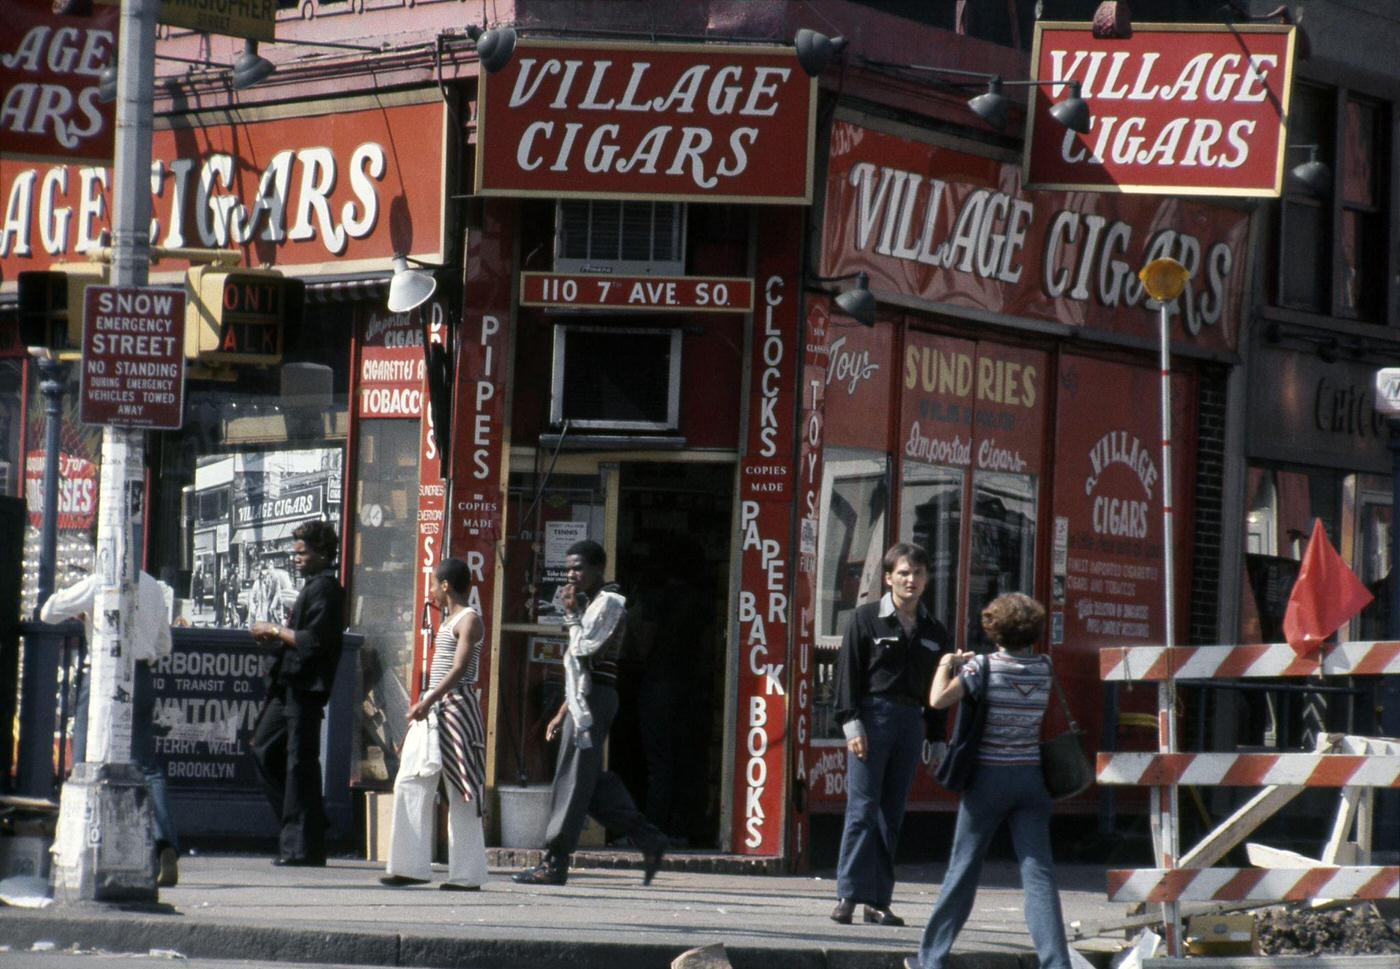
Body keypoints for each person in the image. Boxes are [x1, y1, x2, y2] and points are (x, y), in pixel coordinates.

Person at [907, 593, 1072, 969]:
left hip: (988, 780)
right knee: (1039, 874)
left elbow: (937, 700)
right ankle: (1057, 963)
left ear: (994, 628)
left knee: (963, 868)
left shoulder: (982, 668)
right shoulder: (1045, 667)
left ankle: (931, 959)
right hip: (1032, 779)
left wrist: (947, 663)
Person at [512, 539, 667, 886]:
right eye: (568, 568)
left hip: (596, 697)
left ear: (599, 568)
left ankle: (555, 860)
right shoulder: (594, 602)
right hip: (585, 697)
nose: (571, 574)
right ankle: (646, 836)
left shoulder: (610, 602)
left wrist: (570, 614)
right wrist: (563, 711)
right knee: (587, 779)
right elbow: (577, 671)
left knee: (571, 777)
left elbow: (584, 651)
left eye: (579, 567)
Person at [831, 542, 949, 927]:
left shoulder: (935, 631)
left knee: (891, 814)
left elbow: (937, 690)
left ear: (927, 579)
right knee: (862, 810)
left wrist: (937, 737)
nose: (911, 580)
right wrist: (852, 724)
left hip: (910, 721)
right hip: (872, 716)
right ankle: (848, 895)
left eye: (917, 573)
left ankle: (879, 901)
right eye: (903, 573)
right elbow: (847, 675)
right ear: (888, 579)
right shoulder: (866, 619)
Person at [41, 569, 181, 888]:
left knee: (85, 758)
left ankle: (79, 842)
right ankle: (164, 845)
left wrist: (84, 608)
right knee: (146, 765)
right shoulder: (153, 587)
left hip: (104, 672)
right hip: (142, 674)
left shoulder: (100, 579)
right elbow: (163, 645)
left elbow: (49, 613)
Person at [380, 557, 489, 890]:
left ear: (445, 585)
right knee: (411, 780)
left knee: (463, 792)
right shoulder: (448, 620)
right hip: (433, 709)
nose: (430, 592)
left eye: (432, 585)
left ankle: (467, 876)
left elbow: (459, 670)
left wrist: (426, 701)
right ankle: (408, 867)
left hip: (456, 709)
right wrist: (426, 702)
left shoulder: (469, 620)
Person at [249, 520, 345, 867]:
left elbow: (313, 641)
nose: (297, 558)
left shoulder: (326, 590)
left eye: (303, 553)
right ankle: (307, 826)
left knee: (298, 765)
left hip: (304, 689)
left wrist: (273, 629)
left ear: (321, 553)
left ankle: (302, 845)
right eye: (296, 552)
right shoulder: (314, 587)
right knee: (265, 747)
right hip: (288, 686)